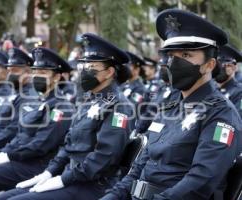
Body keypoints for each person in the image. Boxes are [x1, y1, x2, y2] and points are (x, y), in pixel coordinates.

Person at [101, 9, 242, 200]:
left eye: (185, 55)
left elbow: (200, 182)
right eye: (171, 56)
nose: (174, 63)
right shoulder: (169, 105)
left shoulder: (221, 114)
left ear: (209, 65)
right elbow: (140, 165)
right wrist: (114, 195)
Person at [0, 33, 135, 200]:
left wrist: (63, 179)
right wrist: (50, 172)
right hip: (72, 176)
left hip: (93, 185)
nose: (84, 71)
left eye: (91, 67)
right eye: (84, 66)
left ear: (109, 72)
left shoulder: (119, 106)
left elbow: (104, 157)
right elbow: (69, 145)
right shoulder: (90, 100)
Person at [0, 47, 74, 200]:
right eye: (35, 71)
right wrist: (3, 153)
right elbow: (21, 135)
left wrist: (8, 156)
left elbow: (40, 145)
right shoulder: (41, 100)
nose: (36, 76)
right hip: (22, 158)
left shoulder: (61, 107)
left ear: (57, 77)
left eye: (43, 73)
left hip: (36, 164)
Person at [214, 44, 242, 118]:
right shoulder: (211, 89)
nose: (219, 70)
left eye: (227, 66)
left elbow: (235, 121)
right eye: (216, 67)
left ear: (233, 67)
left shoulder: (239, 92)